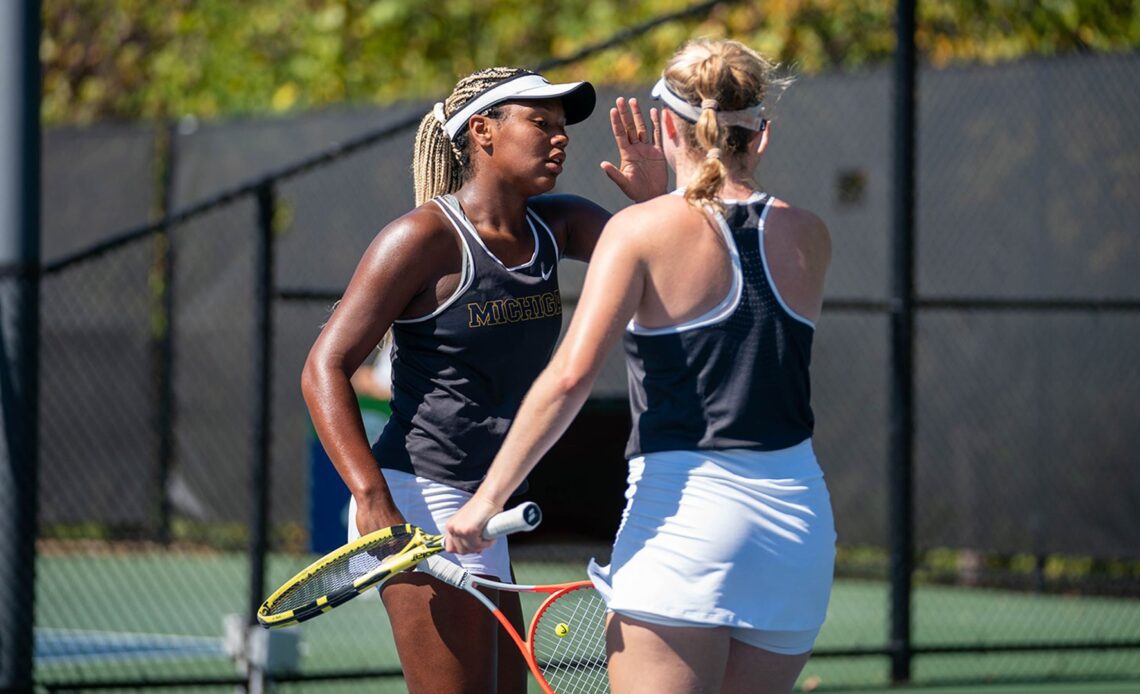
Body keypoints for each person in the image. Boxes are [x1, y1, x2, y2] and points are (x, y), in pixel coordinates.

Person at [446, 39, 836, 694]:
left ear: (663, 124)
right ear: (760, 135)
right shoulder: (810, 234)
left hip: (688, 523)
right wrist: (662, 197)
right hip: (796, 534)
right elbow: (722, 262)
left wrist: (484, 501)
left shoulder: (640, 230)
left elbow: (570, 376)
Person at [301, 65, 665, 694]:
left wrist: (658, 200)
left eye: (562, 128)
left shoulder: (563, 223)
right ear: (483, 132)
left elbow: (677, 267)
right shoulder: (421, 239)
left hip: (483, 506)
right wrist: (372, 500)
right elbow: (322, 368)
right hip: (419, 503)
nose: (560, 138)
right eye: (540, 123)